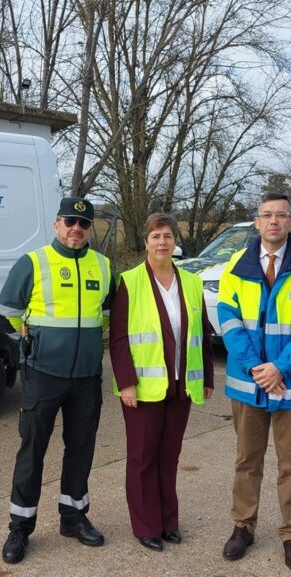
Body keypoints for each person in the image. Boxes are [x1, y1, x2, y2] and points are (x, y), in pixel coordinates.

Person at [0, 197, 113, 564]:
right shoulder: (33, 262)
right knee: (32, 451)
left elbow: (108, 315)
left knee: (81, 450)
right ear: (56, 224)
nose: (77, 228)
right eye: (70, 221)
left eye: (84, 223)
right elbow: (5, 314)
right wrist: (28, 346)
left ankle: (74, 517)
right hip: (43, 376)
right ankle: (20, 527)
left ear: (90, 229)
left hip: (87, 378)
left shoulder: (104, 265)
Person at [217, 193, 291, 573]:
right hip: (250, 383)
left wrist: (279, 369)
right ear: (256, 221)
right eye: (267, 215)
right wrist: (257, 369)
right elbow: (229, 322)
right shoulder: (236, 264)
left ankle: (290, 534)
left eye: (281, 215)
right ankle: (243, 527)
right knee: (247, 461)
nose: (274, 222)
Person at [109, 213, 215, 552]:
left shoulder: (192, 282)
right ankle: (146, 525)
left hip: (181, 386)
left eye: (167, 236)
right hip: (142, 388)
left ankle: (169, 521)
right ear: (146, 242)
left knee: (169, 456)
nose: (162, 242)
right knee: (142, 458)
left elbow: (203, 334)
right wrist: (126, 382)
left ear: (174, 242)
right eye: (155, 236)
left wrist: (207, 377)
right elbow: (119, 337)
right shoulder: (129, 281)